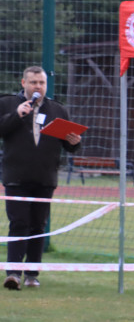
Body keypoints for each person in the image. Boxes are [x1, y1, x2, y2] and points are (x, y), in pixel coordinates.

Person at [1, 66, 82, 290]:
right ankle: (13, 273)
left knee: (38, 226)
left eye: (41, 83)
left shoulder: (57, 109)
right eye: (34, 82)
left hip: (45, 177)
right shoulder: (7, 104)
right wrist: (17, 115)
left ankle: (32, 275)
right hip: (16, 176)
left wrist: (74, 142)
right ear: (23, 83)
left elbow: (68, 145)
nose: (38, 86)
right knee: (18, 224)